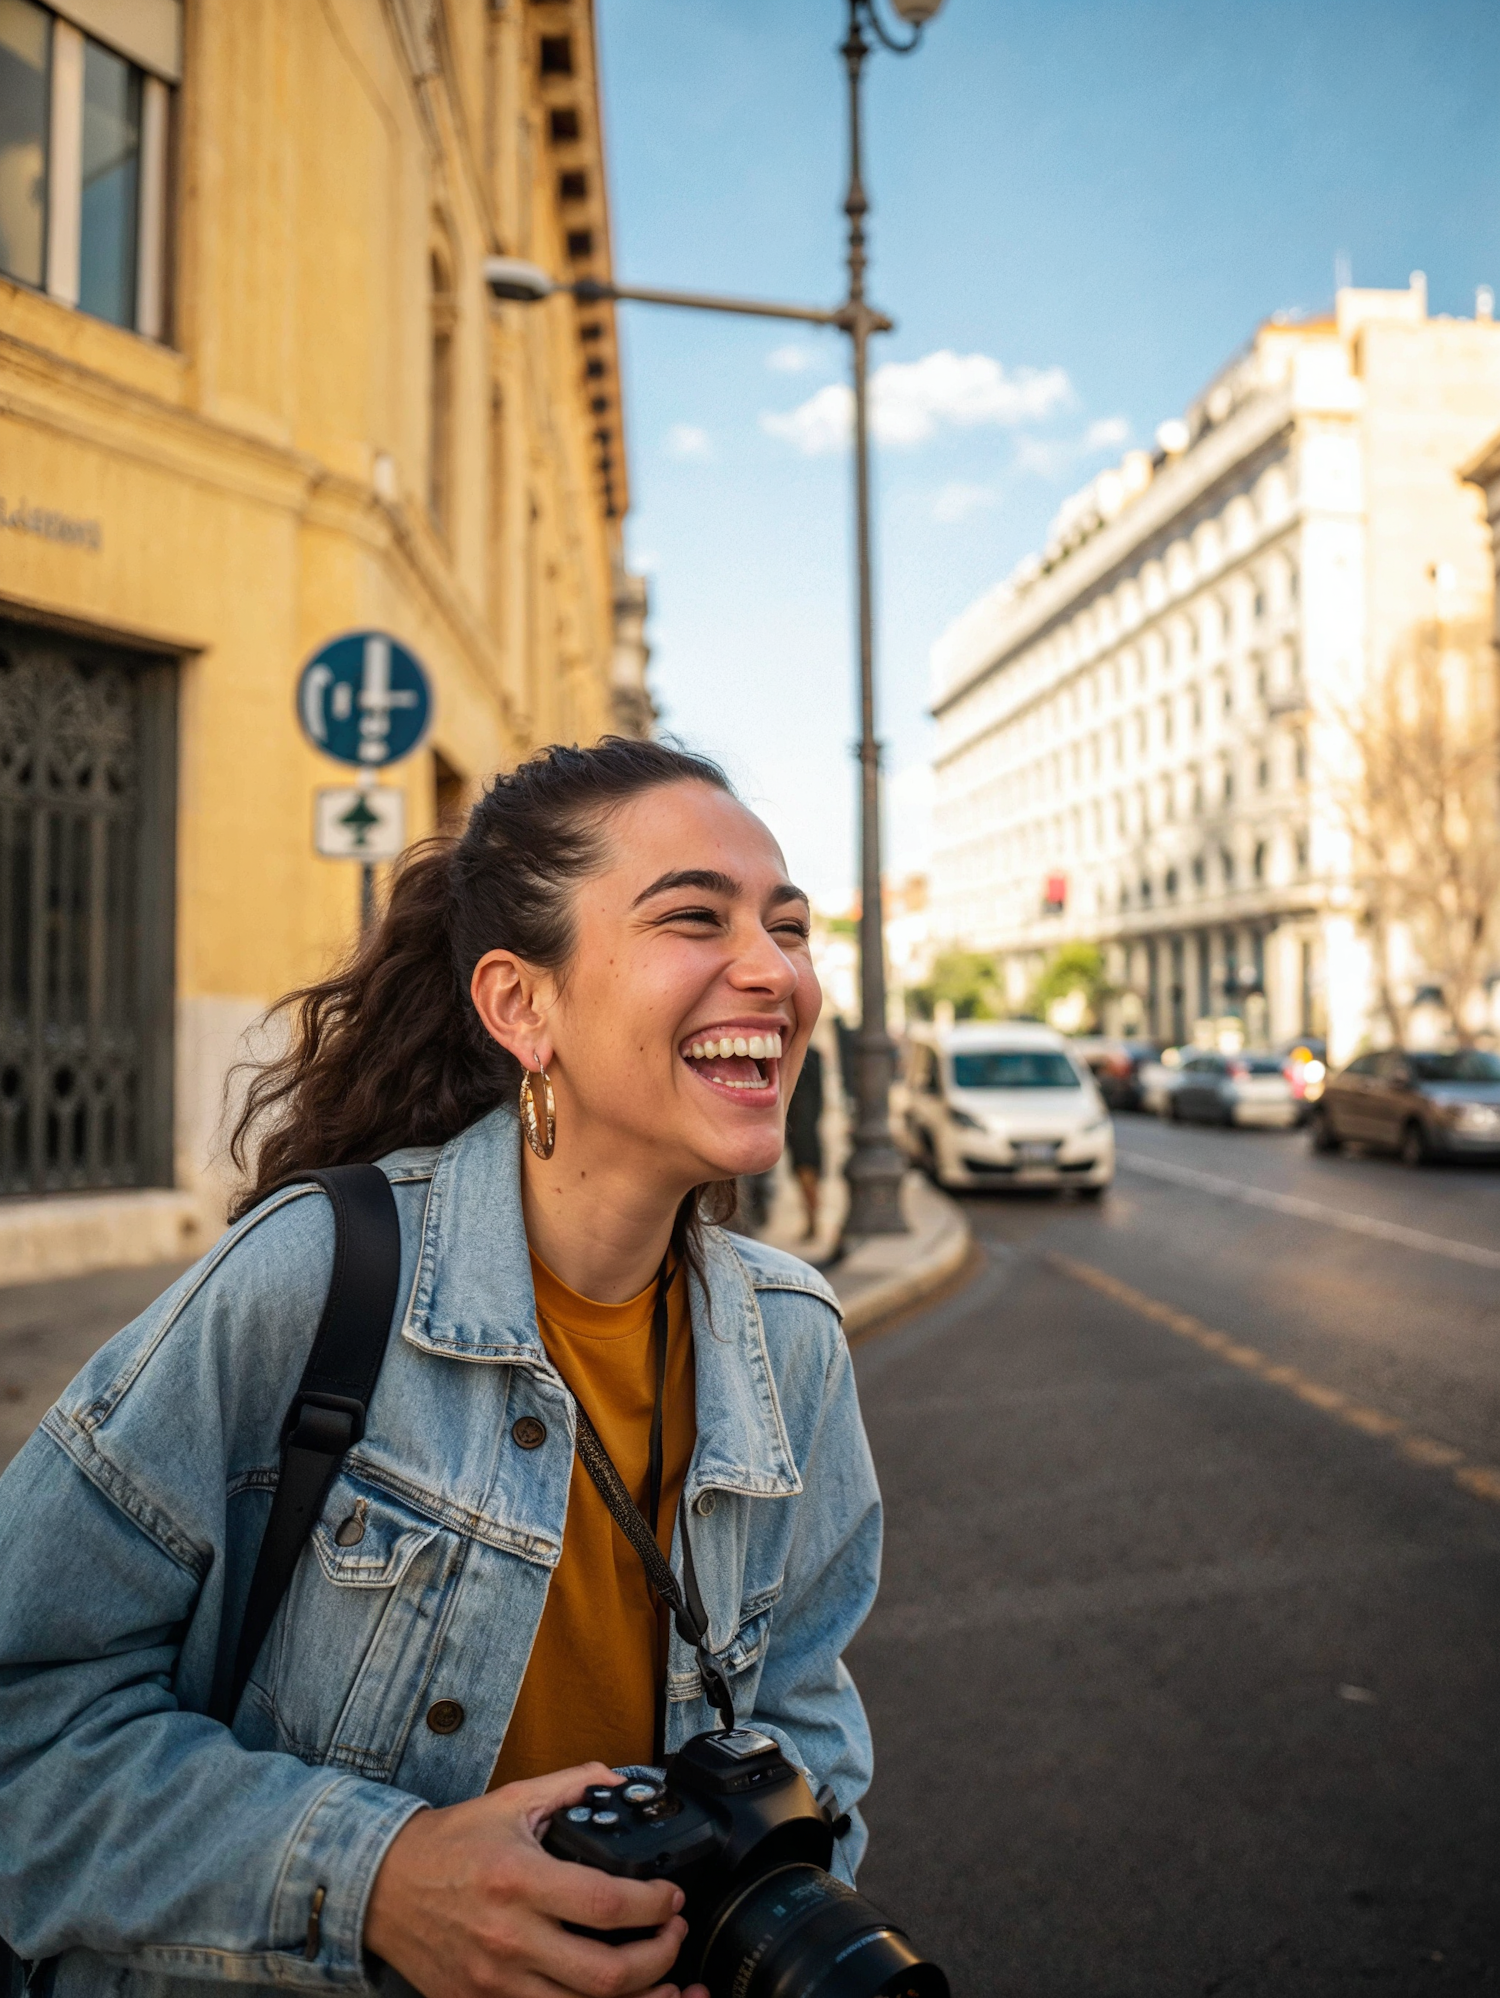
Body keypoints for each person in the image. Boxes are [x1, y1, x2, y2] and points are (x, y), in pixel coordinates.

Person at [0, 740, 881, 1998]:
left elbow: (807, 1716)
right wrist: (380, 1879)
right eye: (697, 916)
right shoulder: (315, 1275)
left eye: (788, 927)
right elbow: (27, 1719)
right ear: (523, 1005)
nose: (775, 970)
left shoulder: (793, 1338)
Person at [784, 1043, 825, 1243]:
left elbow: (816, 1096)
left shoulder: (812, 1056)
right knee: (804, 1177)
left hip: (803, 1128)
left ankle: (813, 1222)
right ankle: (811, 1222)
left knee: (807, 1176)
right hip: (799, 1127)